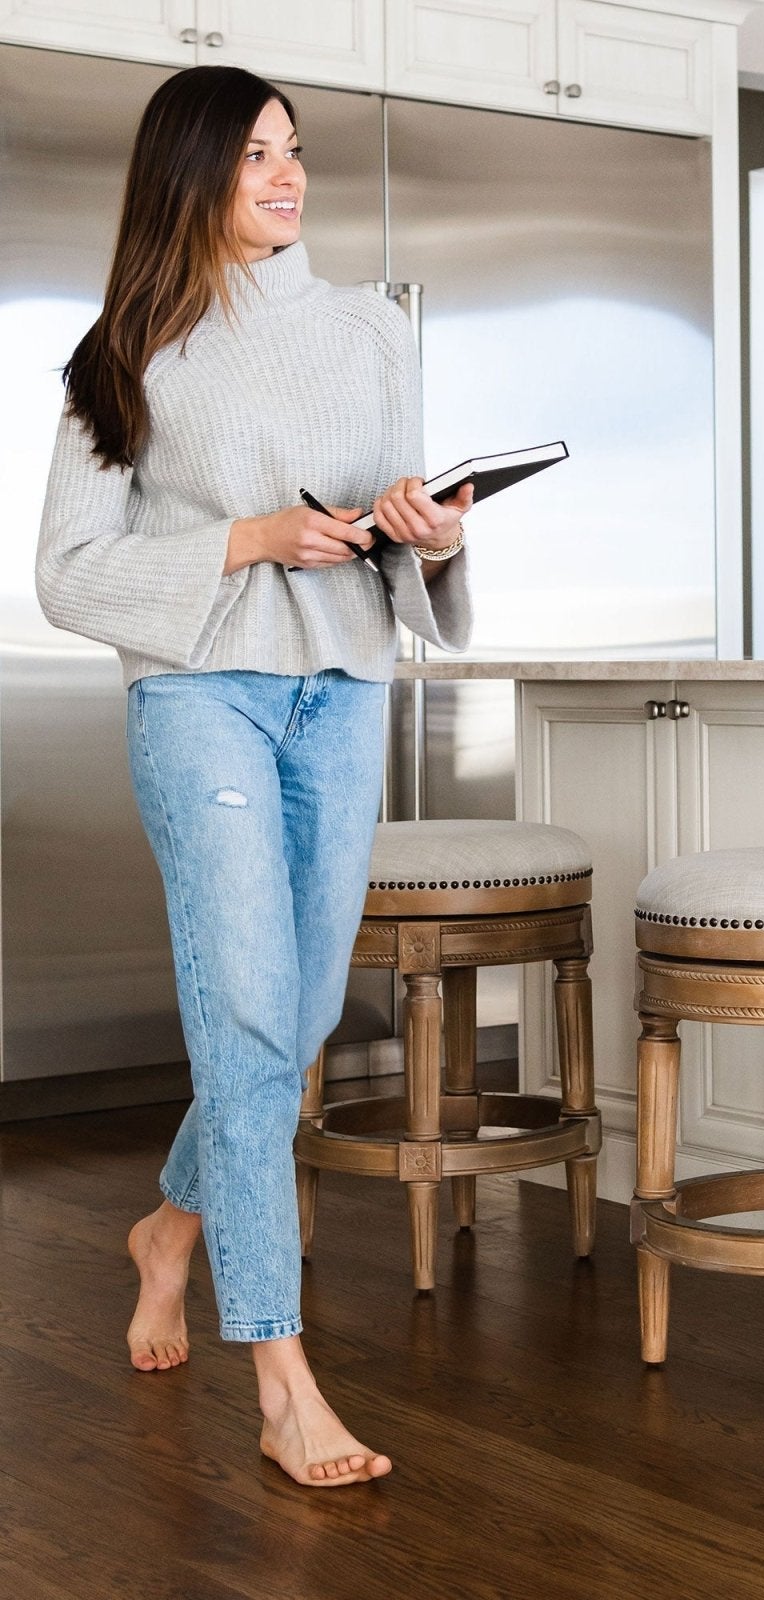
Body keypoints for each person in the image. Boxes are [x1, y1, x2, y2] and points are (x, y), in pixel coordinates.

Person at [34, 65, 474, 1486]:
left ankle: (168, 1228)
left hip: (343, 689)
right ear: (190, 177)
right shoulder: (123, 353)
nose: (285, 177)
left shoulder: (369, 330)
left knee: (287, 1028)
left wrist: (432, 535)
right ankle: (280, 1374)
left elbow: (397, 529)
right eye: (252, 157)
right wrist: (249, 539)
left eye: (295, 151)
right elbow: (68, 574)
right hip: (201, 700)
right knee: (243, 1024)